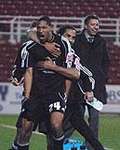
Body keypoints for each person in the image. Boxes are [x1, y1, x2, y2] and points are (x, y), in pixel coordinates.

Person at [9, 16, 81, 150]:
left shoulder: (63, 44)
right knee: (24, 130)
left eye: (44, 27)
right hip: (36, 94)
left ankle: (60, 147)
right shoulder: (29, 46)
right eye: (39, 28)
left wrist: (64, 94)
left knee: (56, 125)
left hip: (55, 92)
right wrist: (27, 96)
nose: (41, 30)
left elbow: (72, 74)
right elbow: (28, 71)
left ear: (51, 28)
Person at [72, 14, 110, 150]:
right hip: (79, 86)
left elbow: (106, 62)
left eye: (97, 25)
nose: (96, 27)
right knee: (75, 119)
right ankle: (58, 142)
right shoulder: (76, 40)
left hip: (96, 88)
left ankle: (91, 147)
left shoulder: (101, 41)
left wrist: (102, 77)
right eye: (93, 24)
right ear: (86, 26)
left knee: (94, 120)